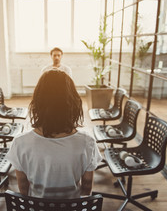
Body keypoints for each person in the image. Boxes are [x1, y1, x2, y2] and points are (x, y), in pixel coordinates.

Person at [6, 69, 102, 199]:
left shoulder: (20, 143)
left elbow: (23, 188)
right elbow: (86, 188)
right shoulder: (87, 142)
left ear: (38, 103)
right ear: (73, 103)